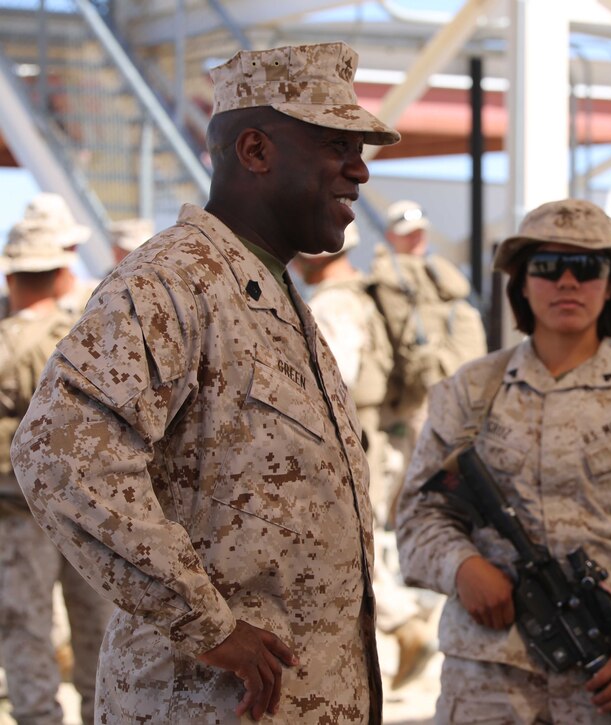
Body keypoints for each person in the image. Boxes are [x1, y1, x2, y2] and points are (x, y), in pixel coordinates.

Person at [10, 42, 400, 722]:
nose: (359, 169)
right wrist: (207, 624)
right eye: (337, 144)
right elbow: (60, 453)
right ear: (255, 150)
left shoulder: (271, 294)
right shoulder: (173, 282)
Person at [395, 198, 611, 723]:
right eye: (548, 268)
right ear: (523, 284)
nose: (567, 283)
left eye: (587, 267)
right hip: (489, 683)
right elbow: (419, 514)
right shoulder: (472, 390)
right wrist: (461, 566)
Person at [292, 221, 436, 691]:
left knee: (347, 549)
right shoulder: (362, 296)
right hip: (379, 437)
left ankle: (403, 623)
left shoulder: (334, 303)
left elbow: (332, 381)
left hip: (357, 442)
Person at [0, 217, 114, 724]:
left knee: (25, 628)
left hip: (17, 510)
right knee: (98, 629)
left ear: (11, 277)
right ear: (61, 273)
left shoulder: (8, 340)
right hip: (87, 512)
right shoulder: (86, 334)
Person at [370, 200, 486, 519]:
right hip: (417, 396)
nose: (416, 239)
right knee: (420, 475)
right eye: (408, 234)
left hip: (453, 386)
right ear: (392, 236)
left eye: (420, 232)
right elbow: (400, 343)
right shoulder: (390, 277)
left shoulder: (437, 271)